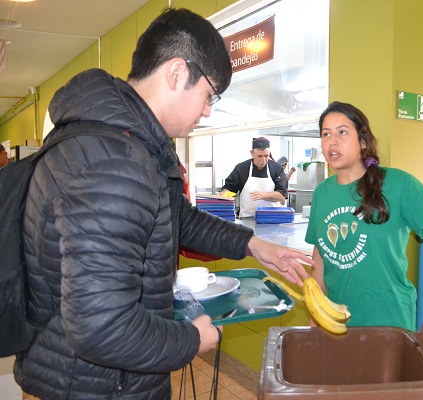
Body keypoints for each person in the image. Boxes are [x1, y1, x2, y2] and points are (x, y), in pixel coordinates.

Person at [14, 9, 312, 400]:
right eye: (209, 94)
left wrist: (252, 245)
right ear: (176, 73)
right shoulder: (115, 162)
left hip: (94, 375)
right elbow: (101, 328)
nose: (208, 110)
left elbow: (177, 218)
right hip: (94, 385)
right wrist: (190, 339)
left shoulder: (129, 141)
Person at [305, 101, 423, 331]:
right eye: (326, 134)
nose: (332, 142)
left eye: (342, 132)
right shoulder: (322, 193)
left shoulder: (397, 183)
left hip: (389, 320)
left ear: (363, 141)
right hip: (337, 319)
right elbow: (319, 257)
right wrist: (315, 317)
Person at [220, 137, 287, 217]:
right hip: (247, 219)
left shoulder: (276, 169)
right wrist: (223, 195)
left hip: (272, 219)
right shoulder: (241, 169)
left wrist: (263, 195)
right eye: (259, 156)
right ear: (252, 153)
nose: (263, 160)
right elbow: (229, 189)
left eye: (266, 156)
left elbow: (282, 194)